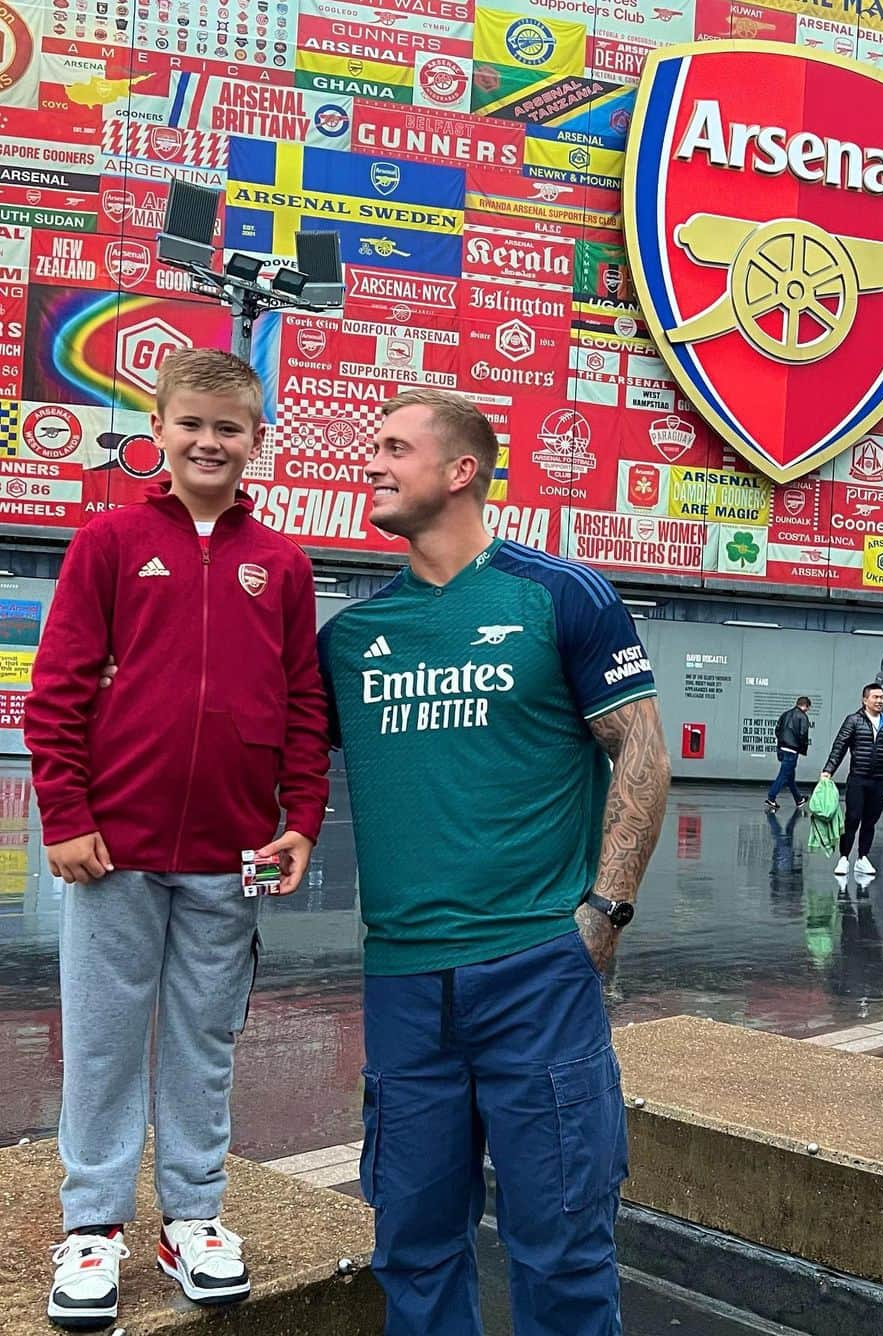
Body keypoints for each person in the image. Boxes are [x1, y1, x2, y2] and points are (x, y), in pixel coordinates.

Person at [318, 388, 670, 1335]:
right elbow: (275, 755)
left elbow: (640, 750)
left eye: (394, 447)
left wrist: (605, 911)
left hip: (535, 971)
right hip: (404, 981)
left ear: (461, 469)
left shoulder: (561, 596)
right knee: (414, 1244)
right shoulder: (348, 639)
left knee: (561, 1243)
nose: (373, 463)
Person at [23, 350, 330, 1328]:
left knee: (202, 1040)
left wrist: (302, 817)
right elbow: (58, 691)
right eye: (190, 423)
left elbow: (301, 701)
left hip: (230, 852)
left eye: (228, 427)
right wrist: (66, 818)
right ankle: (94, 1226)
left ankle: (194, 1215)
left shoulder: (280, 563)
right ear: (156, 430)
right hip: (111, 850)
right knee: (105, 1038)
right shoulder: (108, 541)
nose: (208, 441)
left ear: (256, 442)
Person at [821, 683, 883, 879]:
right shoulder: (854, 721)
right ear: (865, 700)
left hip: (879, 781)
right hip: (858, 778)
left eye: (882, 697)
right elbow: (839, 746)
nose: (880, 701)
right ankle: (844, 858)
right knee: (853, 819)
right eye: (875, 697)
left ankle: (862, 858)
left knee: (870, 821)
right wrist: (828, 770)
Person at [765, 695, 811, 812]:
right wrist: (802, 749)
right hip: (792, 750)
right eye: (808, 708)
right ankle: (771, 798)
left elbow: (777, 730)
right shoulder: (803, 717)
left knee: (789, 776)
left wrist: (781, 742)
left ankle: (799, 799)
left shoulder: (785, 714)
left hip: (782, 748)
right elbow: (803, 735)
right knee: (783, 775)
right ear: (805, 706)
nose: (808, 710)